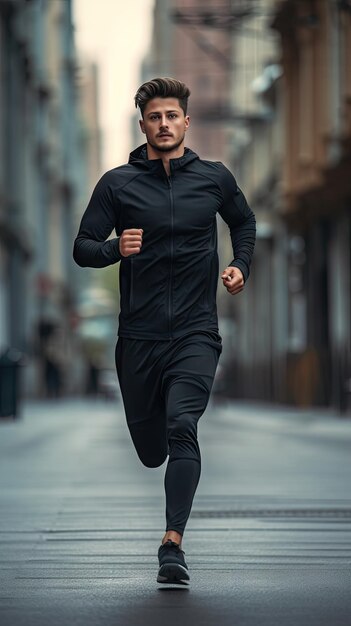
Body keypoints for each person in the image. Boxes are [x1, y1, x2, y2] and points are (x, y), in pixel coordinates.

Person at [73, 77, 256, 585]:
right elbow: (83, 246)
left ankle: (172, 543)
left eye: (172, 115)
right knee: (153, 449)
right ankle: (153, 449)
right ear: (144, 125)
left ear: (186, 122)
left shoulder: (214, 179)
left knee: (183, 426)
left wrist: (241, 263)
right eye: (155, 117)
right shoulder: (117, 184)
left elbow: (244, 221)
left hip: (196, 332)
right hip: (139, 339)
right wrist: (115, 249)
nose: (164, 124)